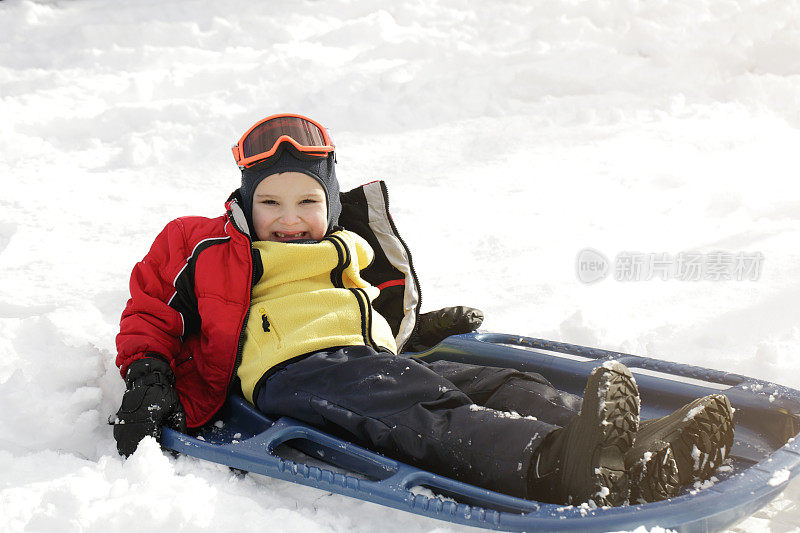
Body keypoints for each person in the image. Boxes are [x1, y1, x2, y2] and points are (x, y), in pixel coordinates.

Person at [112, 113, 734, 506]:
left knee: (500, 381)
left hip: (366, 355)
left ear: (329, 203)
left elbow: (353, 310)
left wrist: (403, 330)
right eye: (271, 202)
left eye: (306, 201)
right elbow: (150, 311)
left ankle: (628, 445)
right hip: (292, 372)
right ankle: (550, 464)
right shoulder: (206, 242)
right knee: (420, 409)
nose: (290, 218)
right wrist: (149, 376)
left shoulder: (348, 244)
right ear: (247, 201)